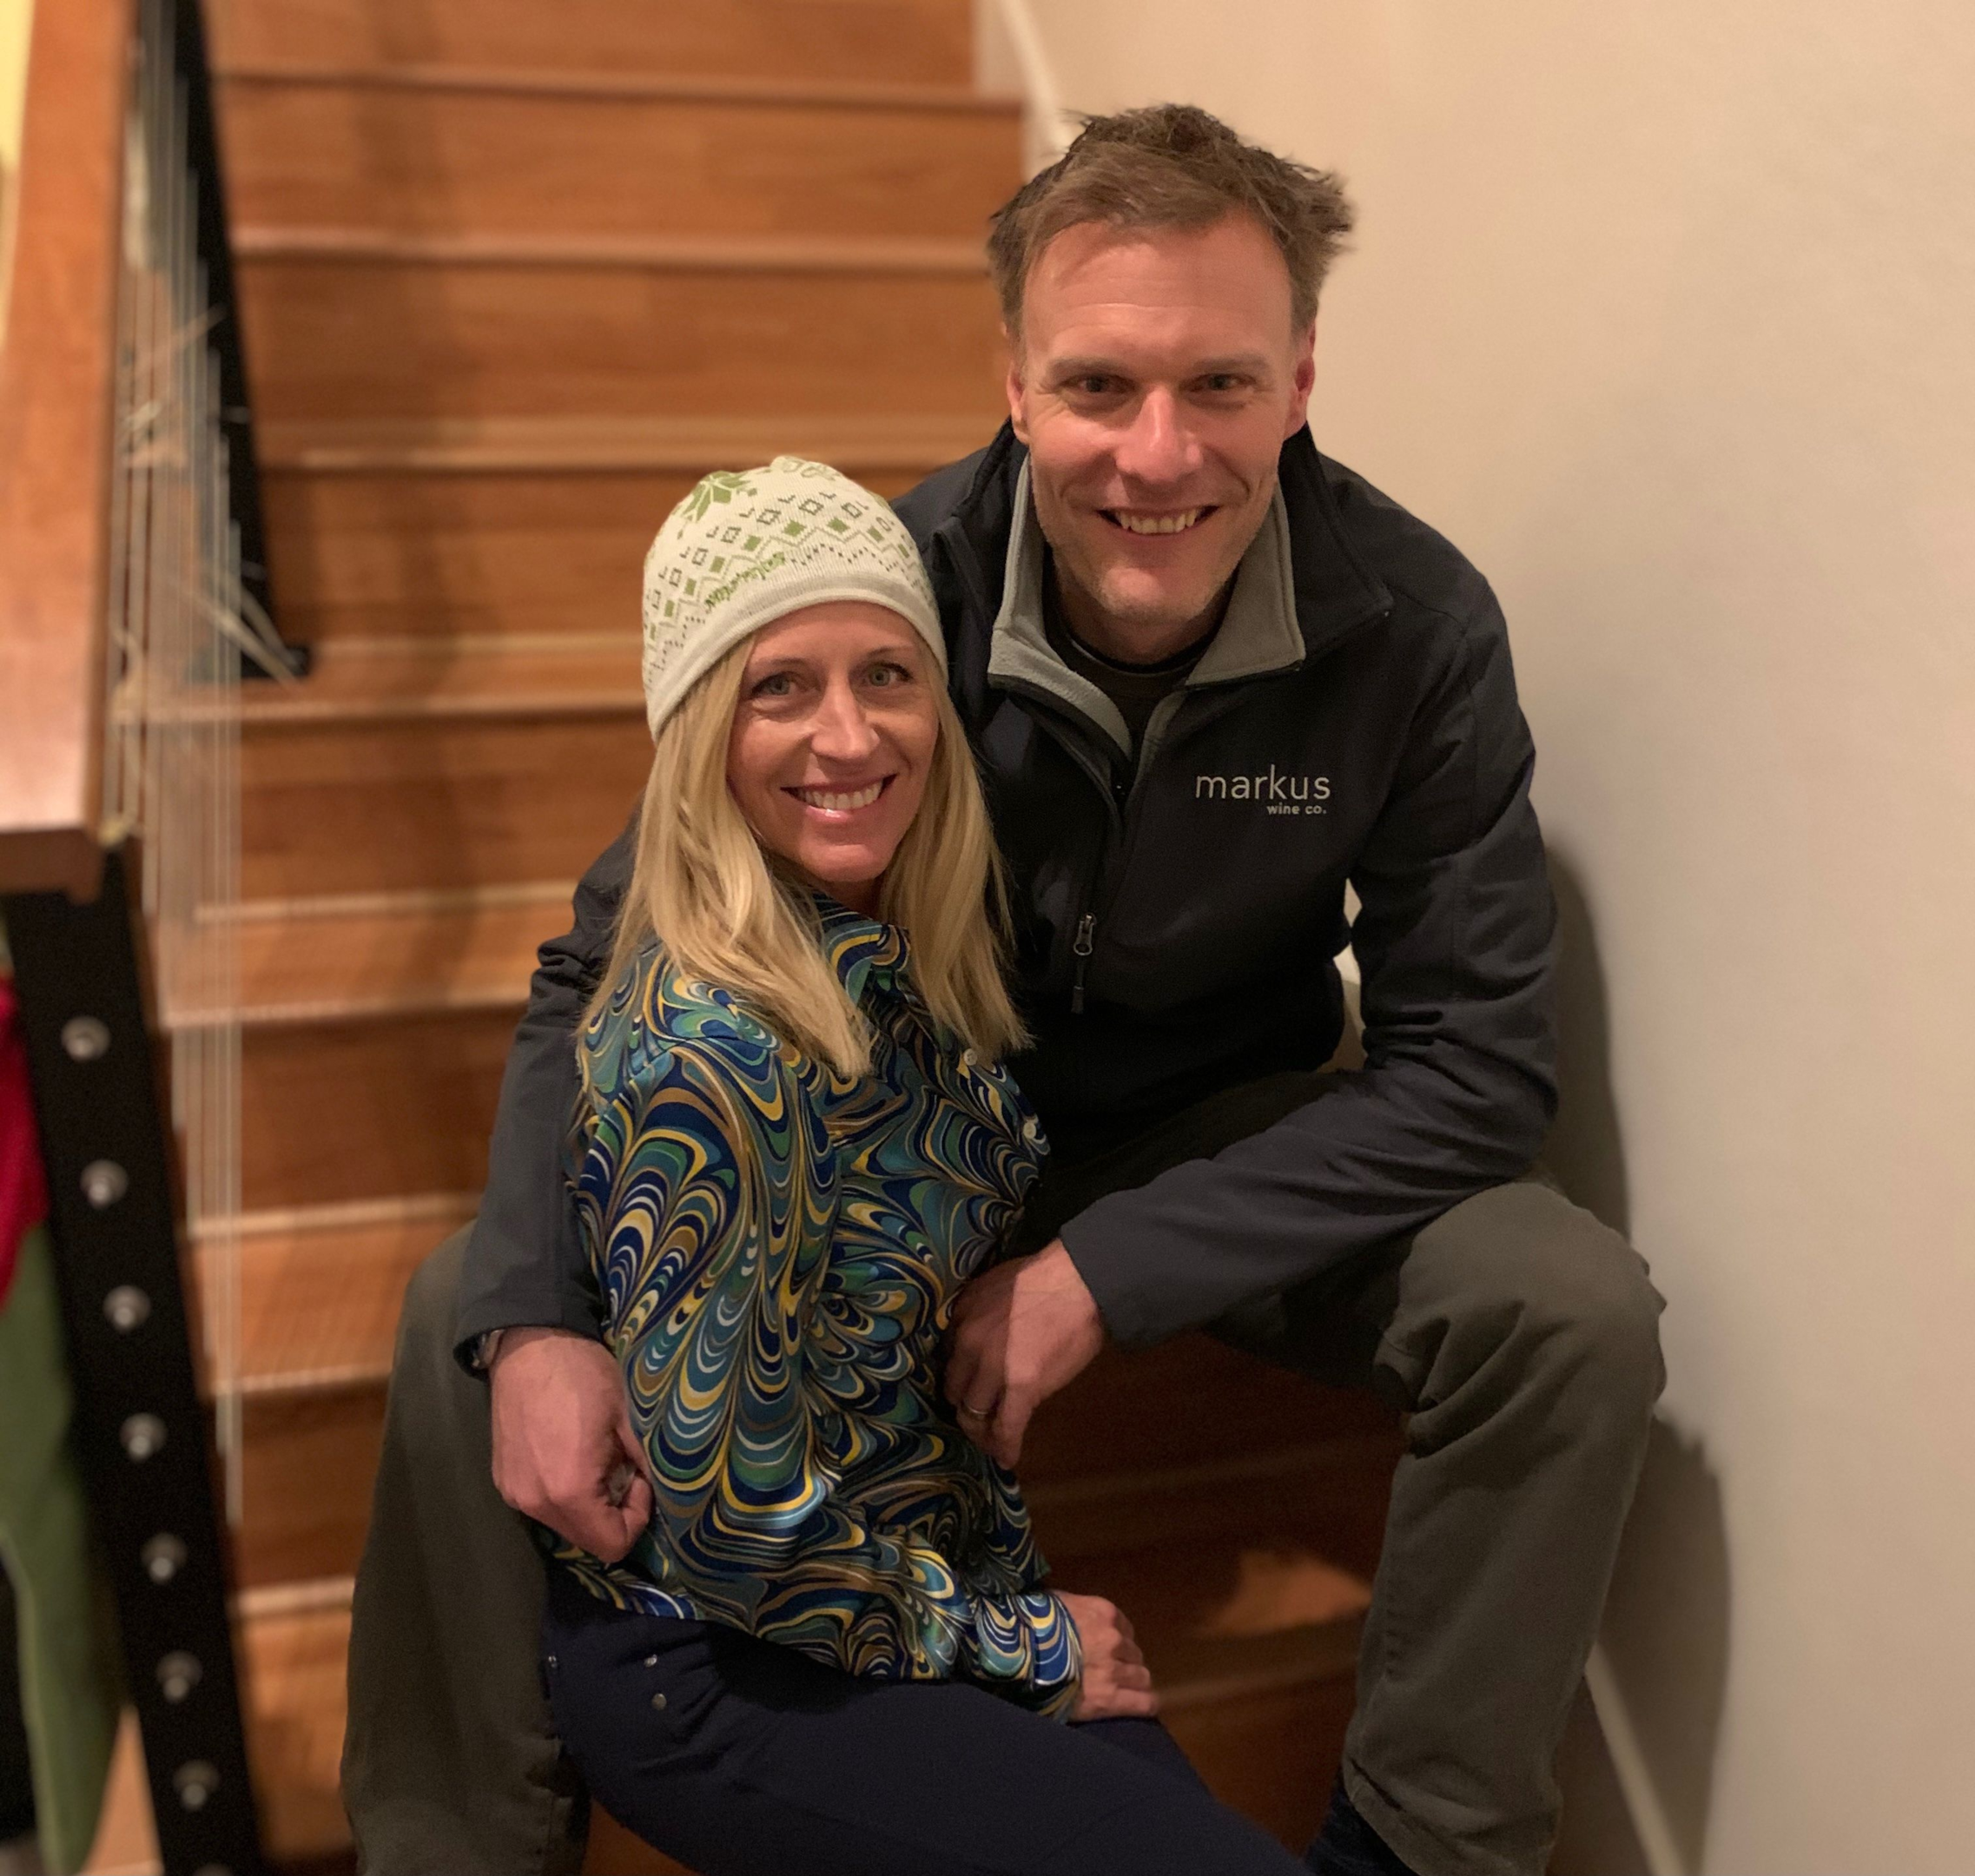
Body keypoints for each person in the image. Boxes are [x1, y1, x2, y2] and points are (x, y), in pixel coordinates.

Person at [344, 106, 1665, 1876]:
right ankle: (458, 1847)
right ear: (1015, 382)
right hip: (900, 1135)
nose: (1157, 451)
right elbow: (609, 953)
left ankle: (1431, 1850)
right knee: (472, 1296)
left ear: (1301, 381)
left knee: (1570, 1307)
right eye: (1101, 385)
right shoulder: (879, 613)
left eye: (1219, 383)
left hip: (1223, 1134)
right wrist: (534, 1320)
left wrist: (1102, 1273)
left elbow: (1479, 1074)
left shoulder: (1415, 627)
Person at [496, 456, 1305, 1875]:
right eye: (777, 687)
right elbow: (733, 1521)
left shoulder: (900, 956)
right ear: (697, 735)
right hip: (725, 1655)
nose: (847, 734)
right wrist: (1018, 1641)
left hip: (901, 1581)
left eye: (887, 673)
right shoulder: (708, 1056)